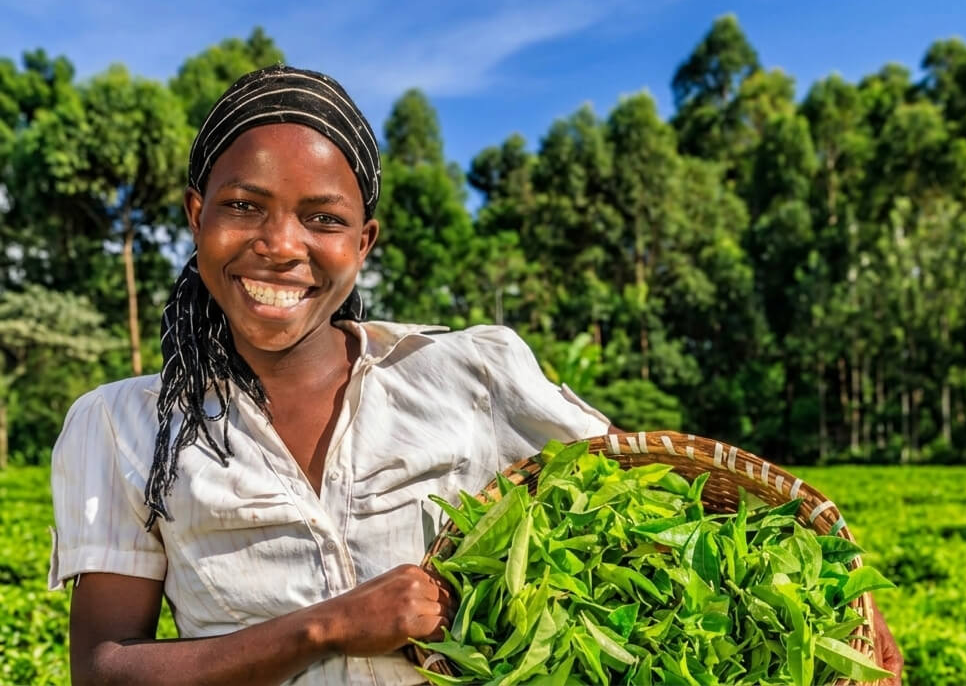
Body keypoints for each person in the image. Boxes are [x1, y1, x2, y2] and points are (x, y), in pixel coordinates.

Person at [49, 65, 902, 685]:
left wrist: (826, 615)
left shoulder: (469, 373)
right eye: (243, 206)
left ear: (364, 243)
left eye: (323, 219)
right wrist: (327, 629)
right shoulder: (124, 426)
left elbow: (649, 515)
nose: (280, 245)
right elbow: (106, 670)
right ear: (198, 216)